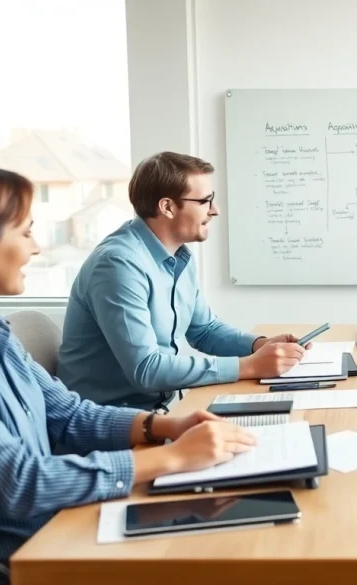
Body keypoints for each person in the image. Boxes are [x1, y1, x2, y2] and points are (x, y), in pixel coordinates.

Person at [0, 155, 257, 580]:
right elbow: (20, 483)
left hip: (41, 529)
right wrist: (173, 459)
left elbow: (67, 414)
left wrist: (159, 428)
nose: (36, 247)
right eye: (26, 231)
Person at [58, 152, 307, 411]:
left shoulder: (178, 256)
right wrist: (249, 366)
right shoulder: (118, 265)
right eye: (205, 201)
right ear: (167, 207)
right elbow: (146, 369)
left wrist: (259, 345)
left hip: (156, 413)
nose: (215, 210)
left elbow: (204, 330)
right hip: (108, 424)